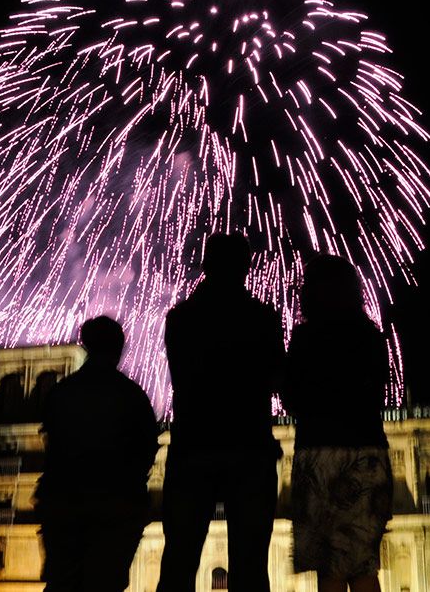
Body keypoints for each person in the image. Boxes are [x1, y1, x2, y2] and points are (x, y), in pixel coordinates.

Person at [156, 233, 286, 592]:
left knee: (179, 559)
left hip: (193, 446)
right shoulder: (262, 318)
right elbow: (279, 378)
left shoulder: (180, 318)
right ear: (246, 268)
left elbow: (181, 377)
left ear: (205, 265)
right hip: (249, 447)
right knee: (251, 563)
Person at [282, 255, 393, 592]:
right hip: (366, 455)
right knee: (363, 565)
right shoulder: (371, 337)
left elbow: (291, 399)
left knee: (328, 569)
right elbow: (378, 393)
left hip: (319, 455)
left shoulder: (305, 338)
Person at [35, 316, 159, 592]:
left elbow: (51, 444)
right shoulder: (132, 395)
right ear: (119, 349)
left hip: (64, 503)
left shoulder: (61, 393)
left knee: (62, 583)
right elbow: (147, 449)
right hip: (116, 507)